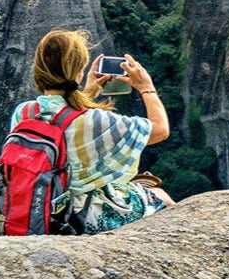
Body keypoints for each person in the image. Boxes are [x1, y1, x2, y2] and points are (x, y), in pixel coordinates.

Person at [10, 28, 174, 233]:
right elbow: (160, 130)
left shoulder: (24, 112)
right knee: (161, 197)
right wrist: (146, 87)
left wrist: (88, 92)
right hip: (78, 217)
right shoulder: (95, 120)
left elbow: (62, 119)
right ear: (78, 72)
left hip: (35, 207)